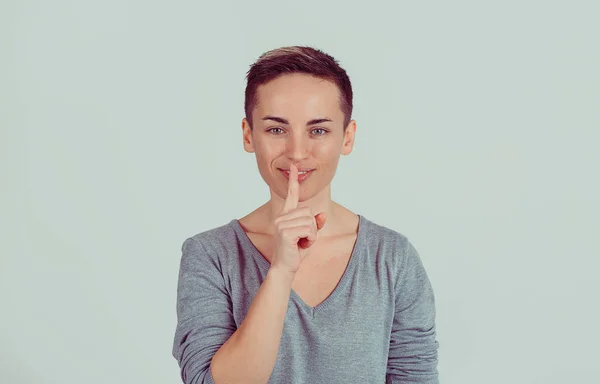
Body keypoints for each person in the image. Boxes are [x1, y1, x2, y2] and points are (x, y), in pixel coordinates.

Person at [172, 45, 439, 384]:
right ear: (248, 135)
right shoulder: (209, 255)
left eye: (318, 130)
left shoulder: (392, 257)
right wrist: (281, 271)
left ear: (348, 137)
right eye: (276, 129)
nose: (297, 152)